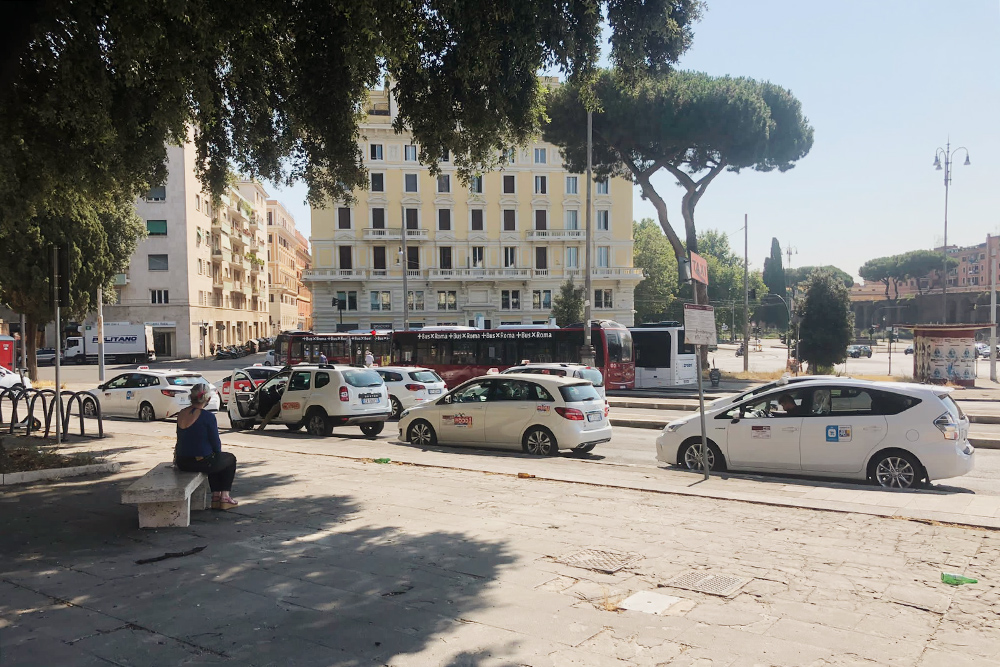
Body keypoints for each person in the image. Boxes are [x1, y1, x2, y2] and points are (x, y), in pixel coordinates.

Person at [174, 384, 239, 509]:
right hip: (199, 462)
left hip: (182, 461)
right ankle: (224, 497)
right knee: (228, 459)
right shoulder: (208, 417)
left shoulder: (181, 413)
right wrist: (217, 455)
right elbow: (216, 444)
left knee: (213, 458)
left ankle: (215, 496)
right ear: (208, 399)